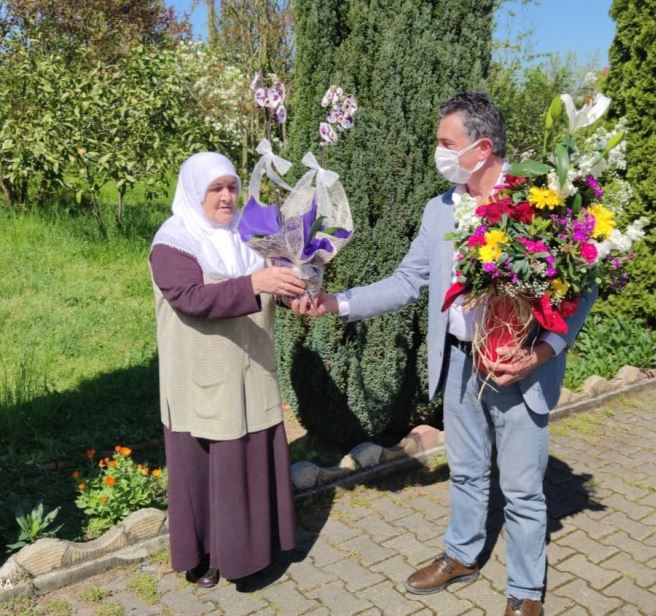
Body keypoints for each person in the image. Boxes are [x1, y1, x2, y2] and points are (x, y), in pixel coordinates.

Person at [299, 92, 596, 616]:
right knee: (466, 469)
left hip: (520, 368)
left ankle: (526, 591)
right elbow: (409, 280)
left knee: (523, 490)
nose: (437, 153)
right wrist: (335, 302)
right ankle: (461, 554)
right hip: (459, 361)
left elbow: (583, 287)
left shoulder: (543, 200)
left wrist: (544, 351)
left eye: (445, 143)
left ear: (481, 147)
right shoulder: (439, 211)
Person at [149, 152, 304, 590]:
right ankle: (205, 556)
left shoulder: (247, 236)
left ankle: (253, 552)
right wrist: (256, 284)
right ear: (194, 192)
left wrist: (297, 293)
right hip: (200, 376)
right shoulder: (173, 241)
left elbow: (272, 284)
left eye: (232, 187)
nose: (226, 197)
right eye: (215, 189)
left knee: (251, 457)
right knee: (206, 465)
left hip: (251, 368)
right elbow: (191, 298)